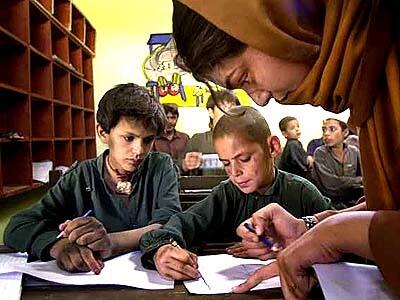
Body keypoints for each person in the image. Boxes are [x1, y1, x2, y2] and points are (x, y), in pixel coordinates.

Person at [171, 0, 400, 297]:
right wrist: (311, 227)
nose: (260, 100)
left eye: (245, 78)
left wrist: (335, 234)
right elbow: (387, 210)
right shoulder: (374, 89)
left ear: (278, 19)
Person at [4, 83, 182, 274]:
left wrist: (112, 243)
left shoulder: (162, 166)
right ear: (103, 133)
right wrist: (60, 246)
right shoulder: (80, 176)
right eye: (129, 138)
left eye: (148, 140)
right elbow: (17, 226)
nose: (139, 151)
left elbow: (170, 221)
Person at [139, 106, 331, 280]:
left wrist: (290, 249)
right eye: (226, 163)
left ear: (272, 147)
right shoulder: (226, 193)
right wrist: (161, 249)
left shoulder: (303, 192)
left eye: (245, 159)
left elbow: (339, 238)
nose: (235, 172)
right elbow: (181, 222)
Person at [181, 89, 240, 175]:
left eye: (232, 110)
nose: (227, 114)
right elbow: (177, 171)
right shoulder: (197, 140)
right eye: (222, 109)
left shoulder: (244, 141)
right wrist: (185, 165)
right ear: (211, 112)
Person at [312, 118, 363, 209]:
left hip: (356, 202)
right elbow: (331, 185)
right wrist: (358, 181)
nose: (326, 133)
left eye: (332, 129)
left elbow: (366, 177)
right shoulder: (320, 153)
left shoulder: (354, 151)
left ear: (345, 132)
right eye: (324, 130)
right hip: (332, 205)